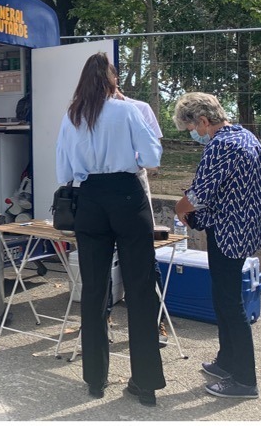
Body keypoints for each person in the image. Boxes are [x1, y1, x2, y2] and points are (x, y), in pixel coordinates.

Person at [56, 53, 165, 406]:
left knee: (93, 289)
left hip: (88, 199)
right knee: (139, 287)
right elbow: (151, 158)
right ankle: (145, 383)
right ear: (112, 79)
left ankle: (94, 379)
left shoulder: (72, 115)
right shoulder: (127, 110)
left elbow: (63, 172)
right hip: (126, 195)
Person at [172, 92, 261, 400]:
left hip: (229, 233)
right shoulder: (246, 137)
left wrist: (179, 207)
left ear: (203, 120)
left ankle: (244, 379)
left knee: (230, 303)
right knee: (223, 297)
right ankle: (227, 360)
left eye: (192, 128)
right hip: (244, 229)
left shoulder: (221, 145)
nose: (194, 135)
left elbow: (201, 194)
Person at [113, 88, 169, 348]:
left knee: (143, 256)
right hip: (99, 190)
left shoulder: (139, 108)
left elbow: (154, 152)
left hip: (133, 184)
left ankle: (154, 323)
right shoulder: (87, 110)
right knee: (100, 260)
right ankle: (98, 325)